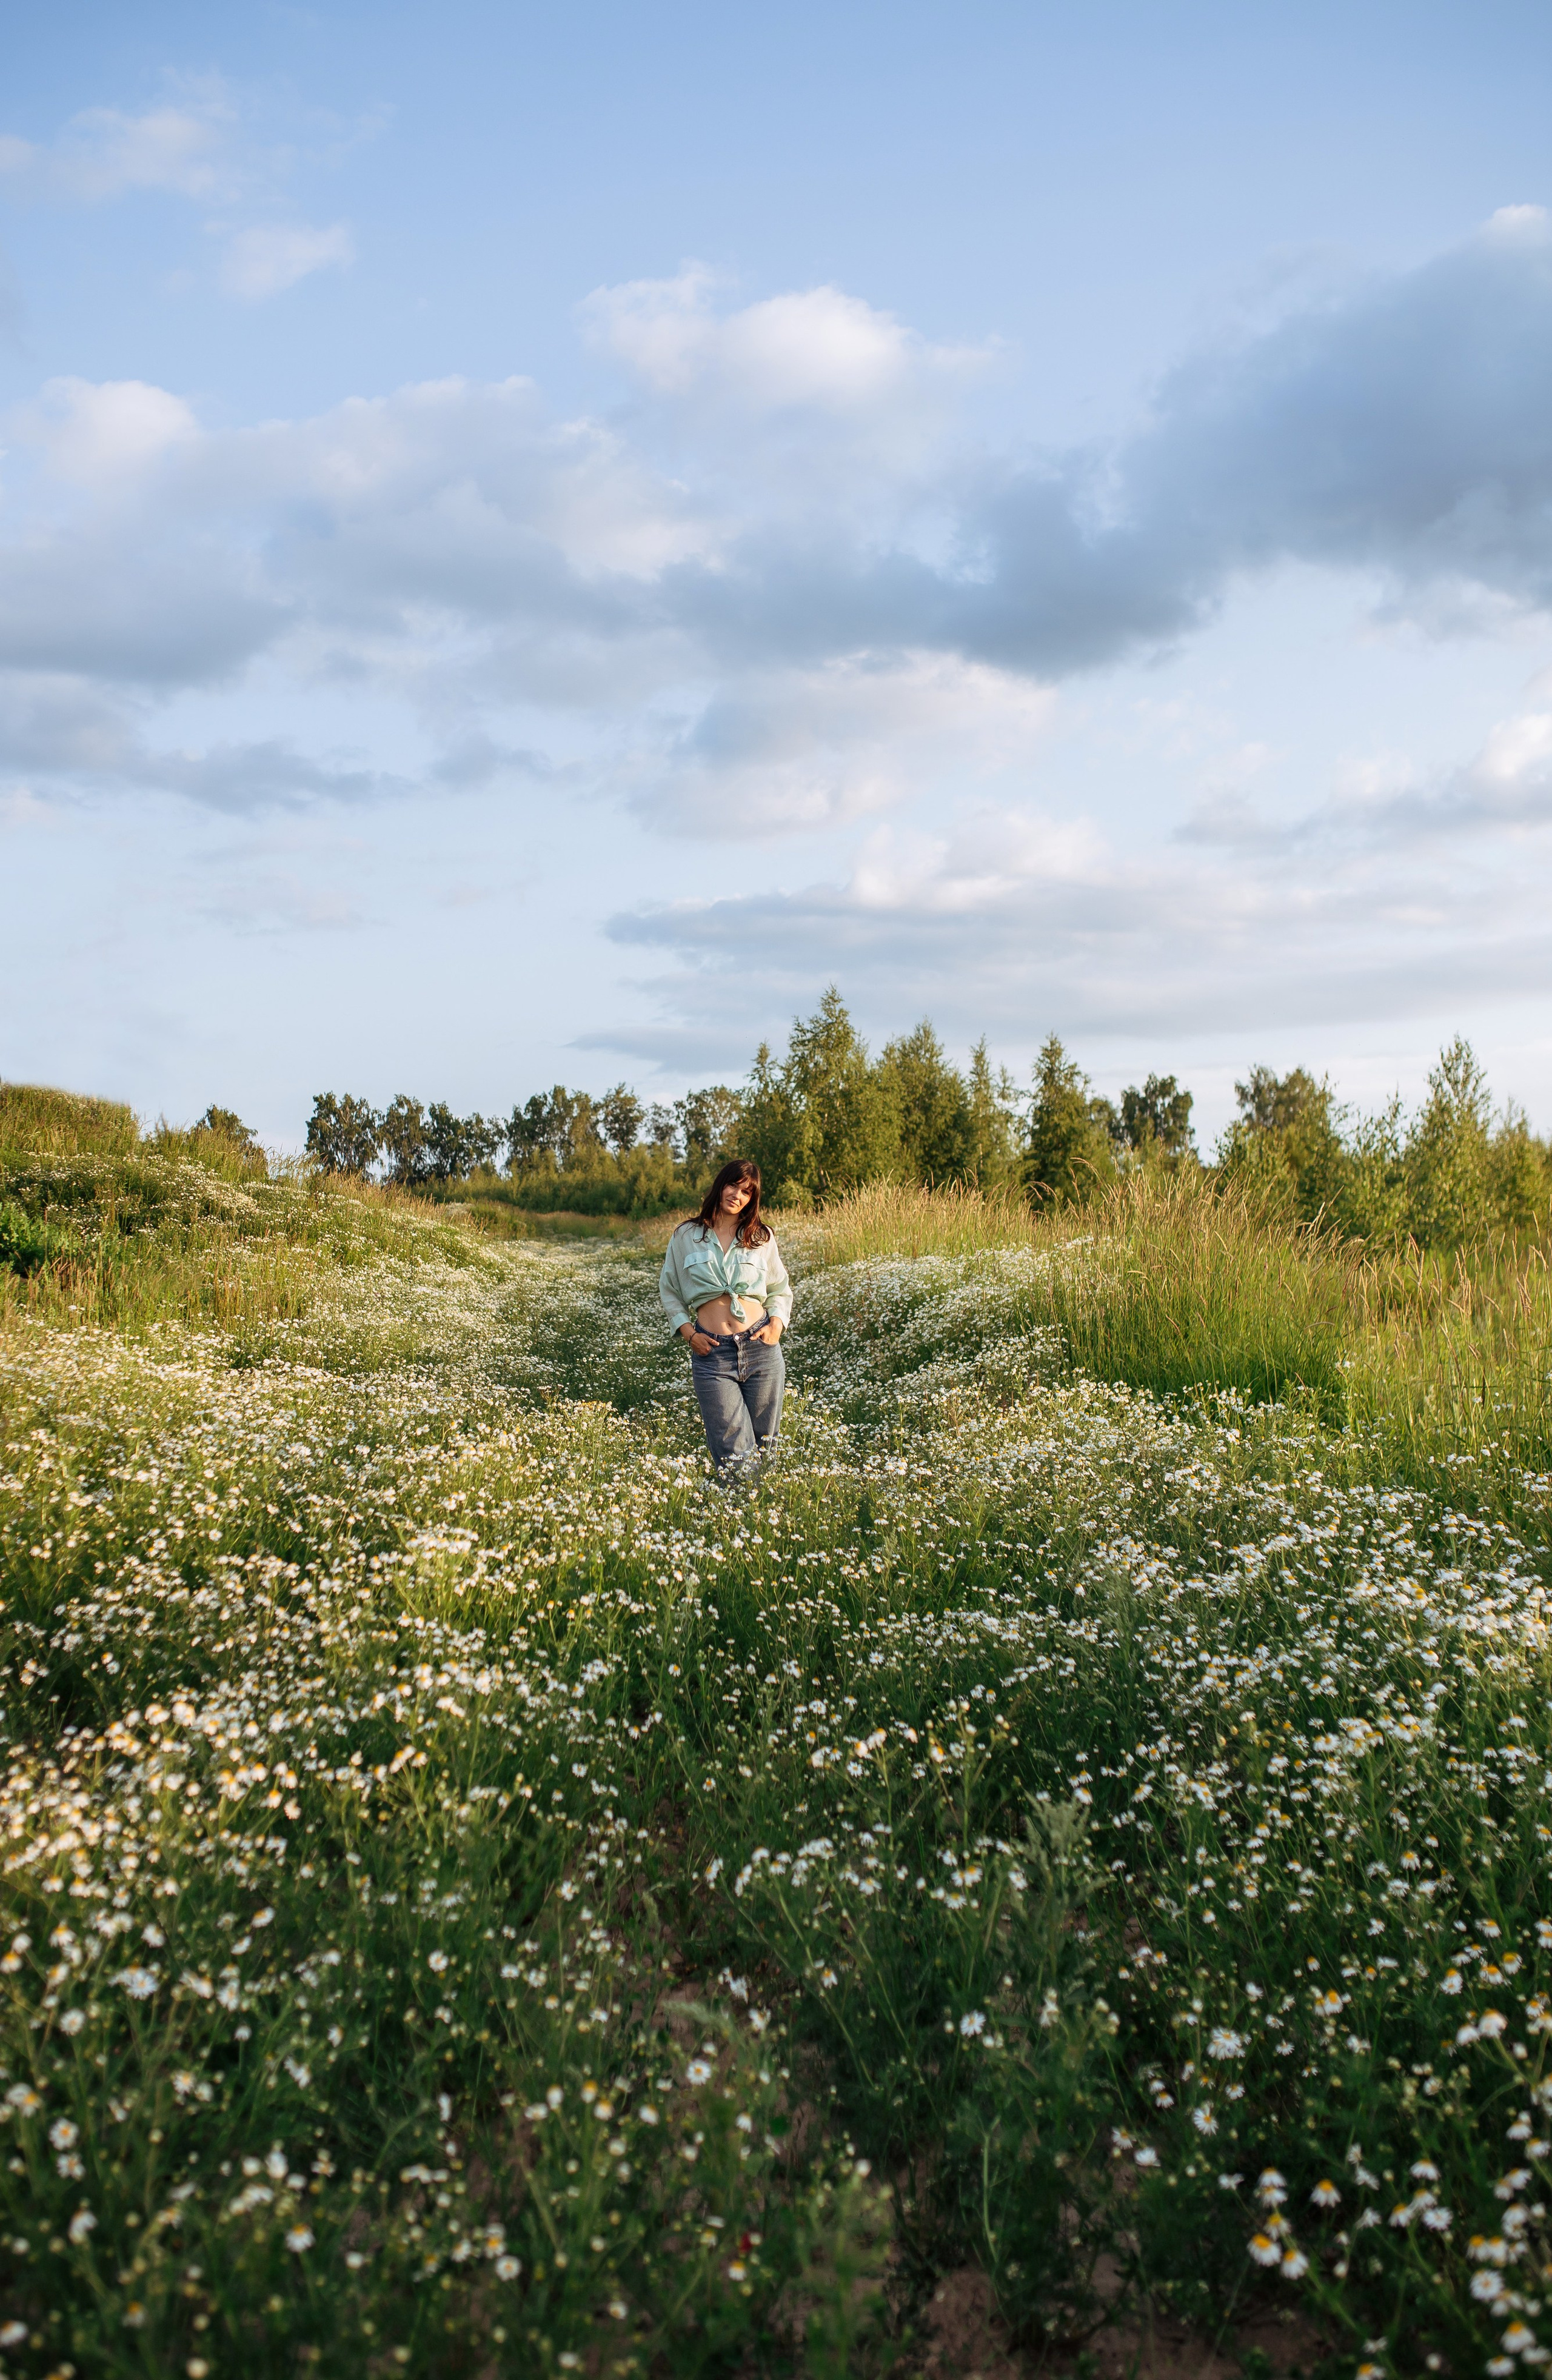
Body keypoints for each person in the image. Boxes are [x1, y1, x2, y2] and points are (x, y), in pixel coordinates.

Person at [659, 1158, 791, 1472]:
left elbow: (780, 1288)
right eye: (733, 1186)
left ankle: (764, 1514)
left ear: (752, 1199)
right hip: (713, 1354)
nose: (738, 1196)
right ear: (721, 1185)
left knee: (766, 1443)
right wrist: (689, 1334)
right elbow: (670, 1290)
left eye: (747, 1192)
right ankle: (738, 1513)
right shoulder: (686, 1236)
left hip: (762, 1348)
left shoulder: (761, 1237)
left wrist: (776, 1325)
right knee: (732, 1449)